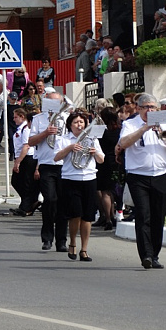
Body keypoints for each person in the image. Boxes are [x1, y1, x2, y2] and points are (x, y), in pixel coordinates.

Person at [117, 93, 166, 269]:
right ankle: (145, 255)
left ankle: (155, 255)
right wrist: (144, 129)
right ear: (138, 109)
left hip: (160, 174)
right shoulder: (130, 124)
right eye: (146, 107)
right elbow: (123, 143)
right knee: (143, 215)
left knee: (158, 216)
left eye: (153, 107)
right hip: (138, 175)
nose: (150, 110)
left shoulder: (165, 123)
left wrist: (162, 131)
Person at [53, 110, 105, 262]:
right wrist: (69, 148)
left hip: (89, 178)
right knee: (75, 213)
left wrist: (95, 153)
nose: (79, 125)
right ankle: (73, 243)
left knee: (88, 216)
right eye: (76, 122)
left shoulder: (92, 139)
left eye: (81, 122)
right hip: (70, 179)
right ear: (70, 125)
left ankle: (84, 249)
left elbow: (101, 160)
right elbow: (56, 157)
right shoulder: (63, 139)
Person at [28, 91, 69, 252]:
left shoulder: (67, 119)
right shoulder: (39, 119)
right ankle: (47, 238)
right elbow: (31, 142)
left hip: (64, 165)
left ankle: (61, 241)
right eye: (51, 102)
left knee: (62, 203)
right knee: (50, 199)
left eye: (57, 103)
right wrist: (46, 132)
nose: (54, 106)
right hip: (46, 165)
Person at [11, 108, 38, 216]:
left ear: (22, 116)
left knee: (25, 183)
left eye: (15, 117)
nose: (14, 119)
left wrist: (18, 161)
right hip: (21, 157)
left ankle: (26, 206)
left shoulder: (26, 128)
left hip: (27, 158)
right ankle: (28, 203)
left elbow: (26, 146)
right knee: (17, 182)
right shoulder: (21, 128)